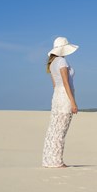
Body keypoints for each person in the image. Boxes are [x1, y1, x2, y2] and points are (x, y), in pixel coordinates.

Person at [42, 36, 79, 168]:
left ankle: (49, 160)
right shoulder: (62, 61)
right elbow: (65, 82)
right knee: (61, 130)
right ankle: (57, 162)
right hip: (64, 96)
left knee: (54, 129)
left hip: (57, 96)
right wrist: (73, 102)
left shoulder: (52, 63)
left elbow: (54, 85)